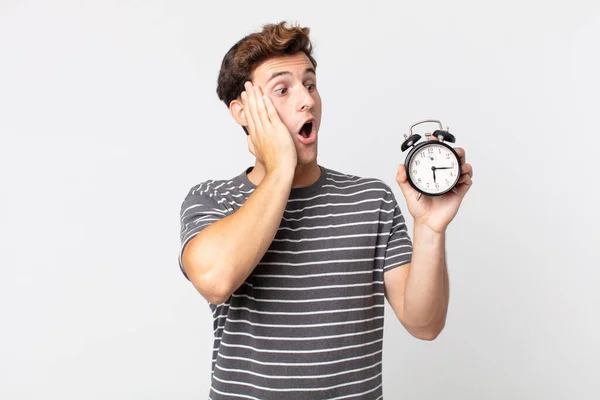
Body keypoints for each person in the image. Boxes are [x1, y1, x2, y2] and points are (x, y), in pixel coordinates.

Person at [178, 21, 473, 400]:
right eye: (282, 89)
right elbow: (216, 280)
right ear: (242, 112)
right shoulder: (212, 199)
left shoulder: (371, 200)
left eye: (310, 84)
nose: (307, 100)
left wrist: (430, 229)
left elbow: (425, 324)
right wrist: (281, 167)